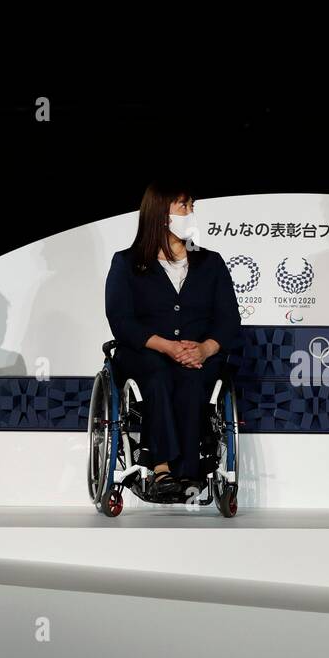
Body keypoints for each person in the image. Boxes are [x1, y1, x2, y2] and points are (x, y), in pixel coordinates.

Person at [104, 181, 242, 498]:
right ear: (160, 214)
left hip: (199, 355)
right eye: (183, 206)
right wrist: (165, 346)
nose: (190, 212)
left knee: (192, 379)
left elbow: (229, 319)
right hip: (145, 353)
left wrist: (206, 348)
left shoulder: (211, 263)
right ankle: (162, 469)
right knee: (159, 375)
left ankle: (190, 471)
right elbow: (121, 320)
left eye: (192, 206)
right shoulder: (127, 263)